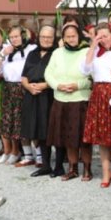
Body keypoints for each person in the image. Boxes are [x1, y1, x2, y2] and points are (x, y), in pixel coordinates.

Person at [81, 25, 111, 188]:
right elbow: (85, 69)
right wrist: (92, 46)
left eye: (106, 36)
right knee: (103, 137)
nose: (103, 39)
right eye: (99, 36)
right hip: (99, 94)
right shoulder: (94, 53)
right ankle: (107, 172)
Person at [44, 23, 92, 181]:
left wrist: (78, 85)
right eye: (68, 36)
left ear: (79, 36)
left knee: (83, 138)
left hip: (80, 99)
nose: (71, 39)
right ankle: (72, 168)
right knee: (68, 137)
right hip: (61, 99)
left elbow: (92, 77)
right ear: (63, 38)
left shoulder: (87, 51)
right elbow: (48, 73)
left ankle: (87, 169)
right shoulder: (57, 53)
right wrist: (58, 86)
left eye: (74, 36)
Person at [22, 26, 59, 178]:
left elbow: (61, 76)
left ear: (54, 38)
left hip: (49, 95)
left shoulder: (57, 54)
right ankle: (45, 165)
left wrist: (45, 85)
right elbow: (24, 76)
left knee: (50, 130)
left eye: (49, 37)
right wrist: (29, 87)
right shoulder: (32, 54)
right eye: (43, 36)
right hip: (32, 95)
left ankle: (58, 165)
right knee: (37, 130)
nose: (46, 39)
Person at [0, 26, 32, 165]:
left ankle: (24, 153)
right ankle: (11, 151)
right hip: (8, 86)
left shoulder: (31, 49)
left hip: (22, 87)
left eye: (16, 36)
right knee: (8, 120)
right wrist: (2, 54)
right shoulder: (7, 51)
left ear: (23, 36)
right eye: (11, 37)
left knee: (20, 121)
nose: (14, 39)